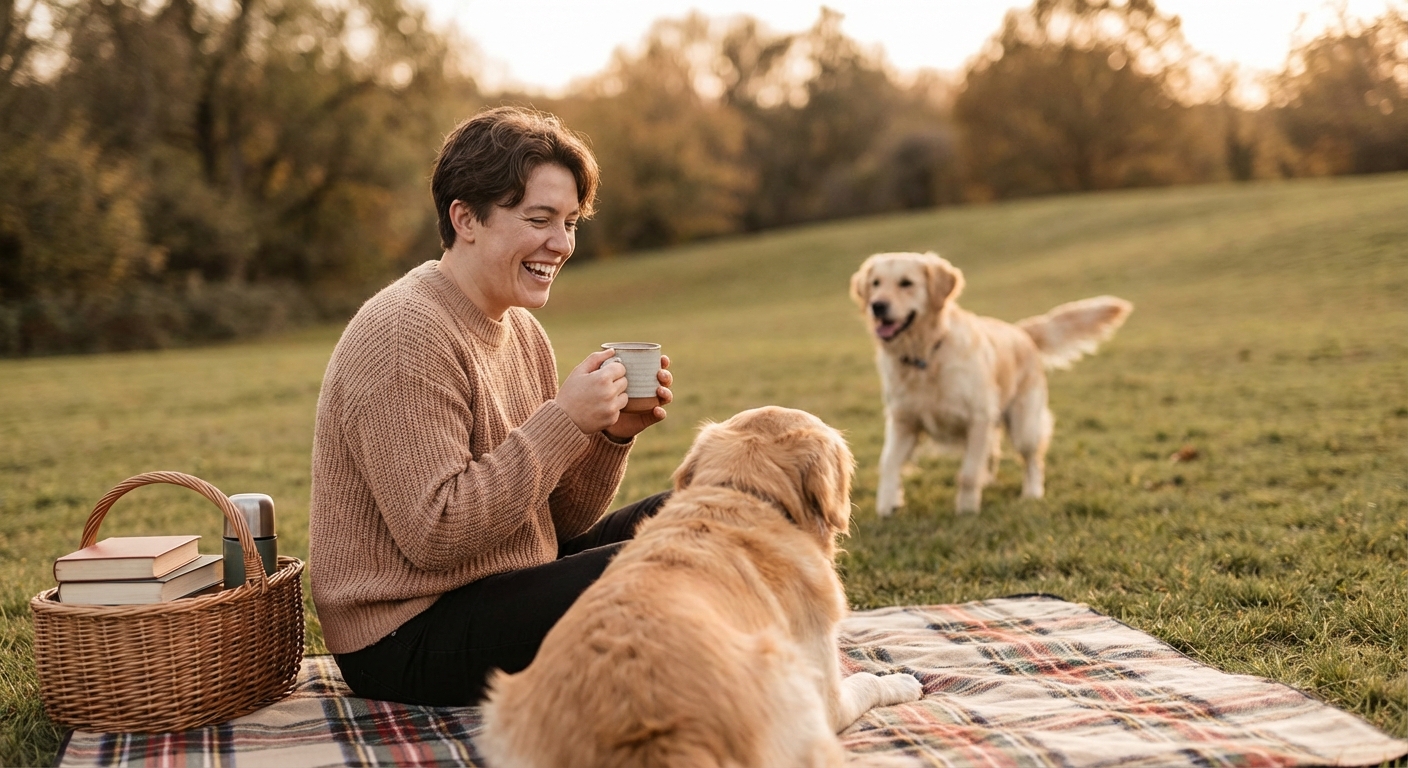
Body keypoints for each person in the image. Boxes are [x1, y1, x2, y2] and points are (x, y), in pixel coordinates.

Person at [309, 106, 673, 705]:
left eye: (570, 222)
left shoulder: (522, 331)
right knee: (671, 562)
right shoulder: (405, 332)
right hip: (405, 636)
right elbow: (436, 533)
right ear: (465, 218)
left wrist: (608, 435)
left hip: (499, 581)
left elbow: (557, 525)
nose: (561, 243)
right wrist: (564, 422)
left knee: (705, 510)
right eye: (539, 218)